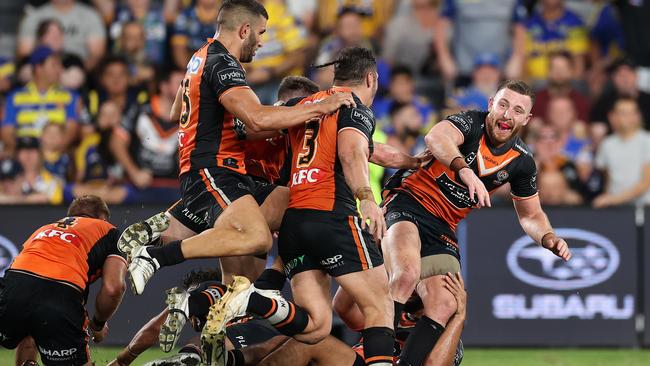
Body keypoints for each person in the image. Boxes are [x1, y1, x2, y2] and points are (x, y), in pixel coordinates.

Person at [122, 0, 357, 297]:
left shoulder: (200, 56)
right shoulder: (224, 64)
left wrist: (223, 119)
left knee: (295, 205)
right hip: (213, 170)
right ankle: (156, 256)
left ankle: (160, 237)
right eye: (260, 33)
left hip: (226, 173)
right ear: (244, 29)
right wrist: (320, 107)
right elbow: (257, 119)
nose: (261, 42)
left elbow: (174, 112)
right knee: (258, 238)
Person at [203, 46, 395, 366]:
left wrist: (413, 161)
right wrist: (367, 199)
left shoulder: (301, 106)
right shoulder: (354, 107)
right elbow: (351, 153)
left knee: (316, 326)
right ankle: (247, 298)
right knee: (379, 305)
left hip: (293, 223)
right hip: (332, 216)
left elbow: (249, 126)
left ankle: (248, 300)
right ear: (371, 78)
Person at [380, 80, 572, 365]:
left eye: (518, 110)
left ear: (526, 119)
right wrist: (466, 173)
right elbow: (436, 138)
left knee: (446, 302)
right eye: (503, 104)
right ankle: (380, 357)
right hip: (408, 202)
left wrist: (549, 237)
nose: (508, 115)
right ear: (491, 103)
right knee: (406, 273)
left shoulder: (522, 162)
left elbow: (531, 215)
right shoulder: (471, 123)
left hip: (443, 227)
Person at [0, 195, 127, 366]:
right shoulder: (109, 230)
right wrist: (97, 325)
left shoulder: (43, 230)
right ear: (103, 219)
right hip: (59, 295)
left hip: (12, 287)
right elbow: (114, 288)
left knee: (29, 331)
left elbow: (28, 284)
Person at [1, 46, 81, 156]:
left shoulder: (70, 97)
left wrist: (51, 155)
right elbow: (6, 132)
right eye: (54, 65)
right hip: (24, 156)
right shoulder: (14, 98)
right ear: (38, 68)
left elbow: (71, 131)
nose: (61, 69)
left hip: (56, 158)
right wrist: (26, 154)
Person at [593, 97, 650, 208]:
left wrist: (613, 200)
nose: (629, 117)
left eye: (633, 112)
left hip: (644, 208)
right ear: (612, 117)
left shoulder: (647, 141)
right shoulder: (606, 144)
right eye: (623, 113)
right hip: (615, 209)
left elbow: (646, 182)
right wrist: (608, 199)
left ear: (638, 116)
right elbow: (607, 179)